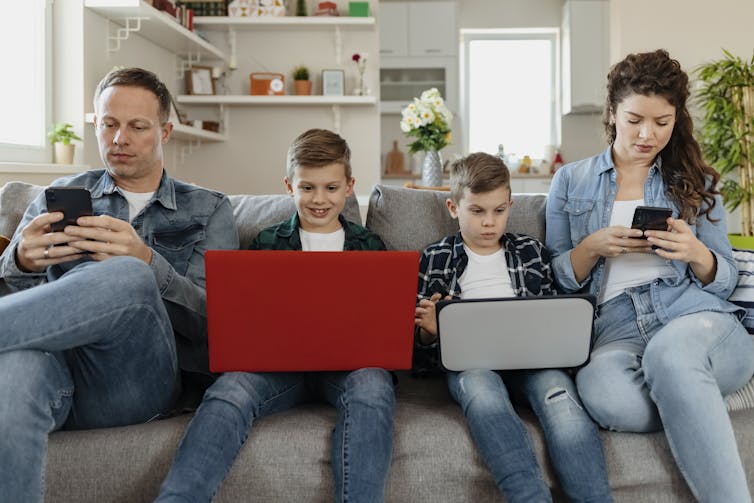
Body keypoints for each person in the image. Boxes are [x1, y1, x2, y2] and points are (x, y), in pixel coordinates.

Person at [0, 67, 239, 502]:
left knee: (128, 273)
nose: (119, 138)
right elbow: (20, 312)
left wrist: (148, 261)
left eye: (137, 126)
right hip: (57, 374)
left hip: (136, 382)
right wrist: (19, 263)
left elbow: (217, 324)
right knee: (14, 373)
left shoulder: (209, 210)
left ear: (165, 131)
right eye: (108, 124)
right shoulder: (57, 194)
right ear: (96, 125)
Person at [545, 49, 754, 502]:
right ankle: (696, 393)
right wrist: (591, 247)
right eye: (635, 119)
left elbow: (725, 280)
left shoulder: (697, 180)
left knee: (672, 357)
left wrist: (695, 252)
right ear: (612, 113)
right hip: (615, 329)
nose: (647, 134)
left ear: (676, 119)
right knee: (604, 397)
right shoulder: (570, 181)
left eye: (662, 122)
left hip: (693, 316)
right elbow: (557, 281)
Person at [156, 129, 395, 503]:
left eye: (331, 188)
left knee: (374, 386)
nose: (319, 200)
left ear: (349, 187)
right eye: (307, 188)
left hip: (350, 368)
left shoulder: (370, 247)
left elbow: (385, 327)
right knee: (229, 390)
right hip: (279, 369)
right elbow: (244, 320)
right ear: (289, 186)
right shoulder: (267, 243)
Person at [414, 152, 612, 503]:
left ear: (510, 204)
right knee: (483, 396)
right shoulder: (435, 258)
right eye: (477, 211)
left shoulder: (532, 252)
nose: (489, 222)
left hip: (534, 361)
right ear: (452, 207)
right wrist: (430, 333)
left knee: (561, 402)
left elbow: (555, 313)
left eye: (499, 210)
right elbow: (419, 356)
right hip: (472, 365)